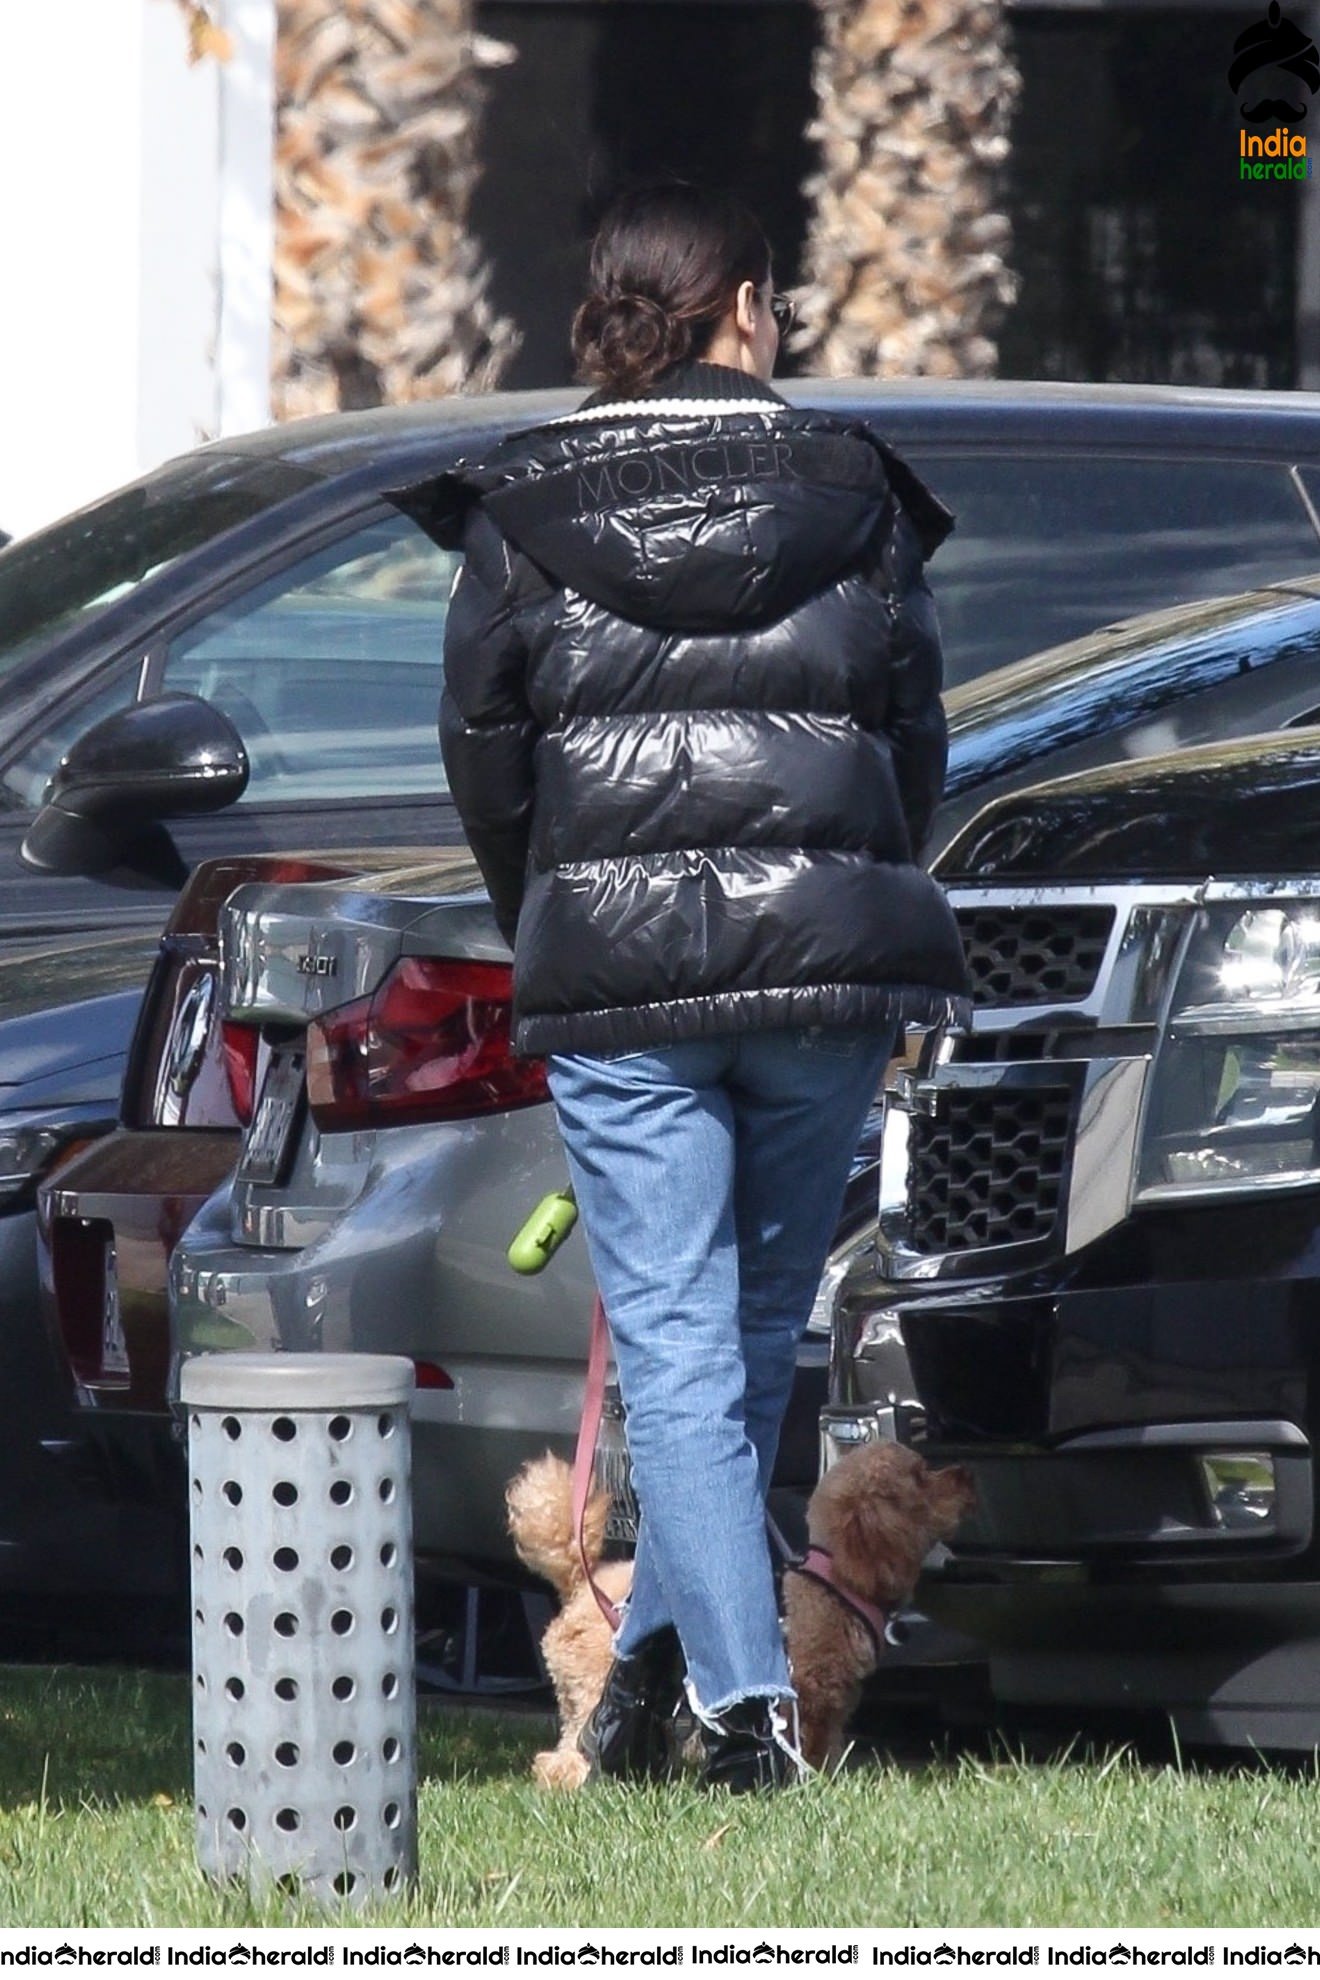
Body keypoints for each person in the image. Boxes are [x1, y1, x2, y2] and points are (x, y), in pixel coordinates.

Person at [437, 180, 971, 1792]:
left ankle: (720, 1704)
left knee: (682, 1346)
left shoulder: (523, 505)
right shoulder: (856, 488)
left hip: (624, 976)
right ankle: (697, 1695)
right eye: (778, 292)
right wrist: (851, 896)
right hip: (819, 977)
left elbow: (486, 755)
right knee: (733, 1346)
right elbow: (913, 734)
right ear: (743, 304)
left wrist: (552, 912)